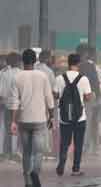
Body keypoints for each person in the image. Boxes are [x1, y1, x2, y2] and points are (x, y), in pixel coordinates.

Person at [8, 49, 55, 187]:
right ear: (35, 61)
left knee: (27, 152)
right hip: (39, 120)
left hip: (23, 120)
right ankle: (35, 171)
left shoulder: (17, 77)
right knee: (39, 150)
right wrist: (51, 116)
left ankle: (27, 181)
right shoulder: (43, 76)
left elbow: (15, 101)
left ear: (23, 61)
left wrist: (13, 121)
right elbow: (49, 98)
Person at [53, 52, 94, 177]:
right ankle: (75, 169)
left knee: (64, 142)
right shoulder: (83, 79)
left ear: (68, 63)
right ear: (79, 64)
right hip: (79, 117)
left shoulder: (59, 78)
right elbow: (87, 98)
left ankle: (62, 162)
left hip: (64, 117)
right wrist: (90, 96)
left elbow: (55, 95)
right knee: (78, 143)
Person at [76, 45, 101, 154]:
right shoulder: (89, 66)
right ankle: (89, 147)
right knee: (90, 122)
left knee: (83, 122)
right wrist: (98, 96)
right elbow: (95, 83)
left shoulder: (76, 66)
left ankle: (85, 146)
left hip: (79, 97)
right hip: (89, 97)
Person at [0, 52, 20, 161]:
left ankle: (5, 153)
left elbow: (1, 92)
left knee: (5, 128)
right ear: (17, 62)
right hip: (18, 106)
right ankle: (14, 152)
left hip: (6, 104)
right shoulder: (21, 73)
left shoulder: (3, 73)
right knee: (17, 128)